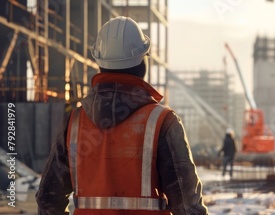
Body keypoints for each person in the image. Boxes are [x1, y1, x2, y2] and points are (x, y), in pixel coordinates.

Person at [36, 16, 208, 215]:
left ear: (100, 63)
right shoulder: (162, 123)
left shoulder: (74, 124)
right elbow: (188, 208)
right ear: (142, 63)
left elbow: (47, 201)